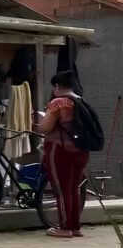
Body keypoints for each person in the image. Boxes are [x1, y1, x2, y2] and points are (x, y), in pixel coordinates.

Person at [36, 70, 90, 238]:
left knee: (61, 191)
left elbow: (45, 128)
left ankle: (64, 228)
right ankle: (75, 227)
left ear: (57, 87)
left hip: (60, 151)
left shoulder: (58, 102)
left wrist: (36, 123)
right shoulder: (80, 101)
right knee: (73, 189)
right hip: (81, 151)